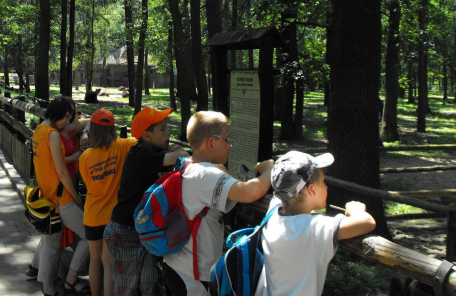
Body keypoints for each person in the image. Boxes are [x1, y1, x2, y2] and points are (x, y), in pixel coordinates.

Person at [162, 111, 274, 296]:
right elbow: (251, 192)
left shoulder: (188, 165)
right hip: (193, 274)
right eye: (227, 140)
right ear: (212, 142)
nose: (230, 146)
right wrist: (269, 170)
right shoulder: (207, 175)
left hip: (176, 265)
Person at [255, 151, 376, 296]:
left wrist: (269, 170)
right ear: (312, 189)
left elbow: (280, 194)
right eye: (323, 182)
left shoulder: (273, 213)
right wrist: (356, 209)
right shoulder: (315, 228)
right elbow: (367, 222)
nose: (326, 187)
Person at [104, 107, 189, 296]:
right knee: (127, 287)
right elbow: (178, 155)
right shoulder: (140, 157)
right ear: (147, 136)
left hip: (145, 229)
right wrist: (176, 150)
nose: (168, 133)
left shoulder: (149, 153)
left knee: (149, 284)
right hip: (126, 231)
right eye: (163, 129)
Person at [29, 95, 91, 296]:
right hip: (62, 197)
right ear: (56, 114)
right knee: (89, 235)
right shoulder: (53, 135)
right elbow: (62, 171)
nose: (67, 122)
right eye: (65, 117)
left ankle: (47, 288)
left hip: (47, 198)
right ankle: (71, 279)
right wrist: (76, 197)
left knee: (51, 244)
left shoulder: (39, 131)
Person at [79, 110, 137, 296]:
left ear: (93, 131)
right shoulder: (124, 145)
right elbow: (144, 142)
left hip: (93, 216)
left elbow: (88, 184)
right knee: (109, 262)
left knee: (95, 260)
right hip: (113, 218)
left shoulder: (85, 157)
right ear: (112, 128)